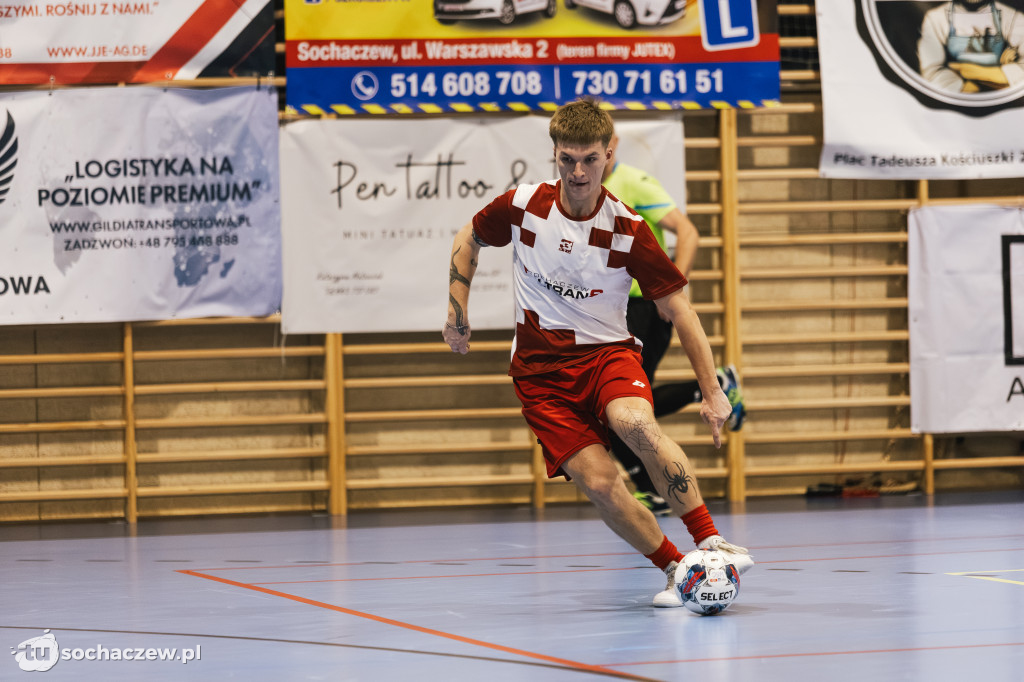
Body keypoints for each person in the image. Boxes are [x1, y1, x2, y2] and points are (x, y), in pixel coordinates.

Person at [442, 99, 754, 607]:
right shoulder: (523, 207)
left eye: (590, 158)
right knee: (600, 483)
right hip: (541, 377)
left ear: (609, 154)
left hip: (607, 355)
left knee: (634, 423)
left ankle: (712, 542)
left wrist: (714, 393)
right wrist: (457, 311)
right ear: (555, 154)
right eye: (567, 159)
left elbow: (682, 313)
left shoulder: (627, 229)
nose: (579, 172)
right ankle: (679, 571)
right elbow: (468, 237)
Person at [601, 132, 746, 516]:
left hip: (644, 308)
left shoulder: (631, 182)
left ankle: (657, 491)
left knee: (620, 409)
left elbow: (688, 232)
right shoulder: (585, 193)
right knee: (621, 409)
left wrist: (671, 288)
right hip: (613, 311)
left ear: (610, 143)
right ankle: (711, 388)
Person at [918, 0, 1024, 93]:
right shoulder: (935, 18)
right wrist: (999, 77)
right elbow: (931, 72)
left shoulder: (1012, 17)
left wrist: (969, 71)